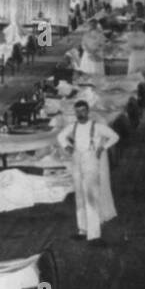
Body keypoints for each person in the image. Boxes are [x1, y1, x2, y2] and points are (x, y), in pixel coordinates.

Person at [56, 99, 119, 245]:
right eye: (78, 111)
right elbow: (60, 137)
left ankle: (94, 235)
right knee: (79, 197)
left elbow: (115, 136)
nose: (80, 114)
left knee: (91, 197)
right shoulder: (73, 127)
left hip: (91, 162)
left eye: (83, 111)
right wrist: (68, 147)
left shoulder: (97, 127)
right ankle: (82, 230)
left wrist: (102, 148)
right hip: (77, 160)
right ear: (75, 112)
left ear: (88, 111)